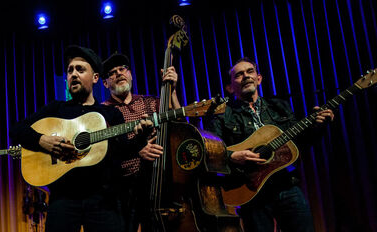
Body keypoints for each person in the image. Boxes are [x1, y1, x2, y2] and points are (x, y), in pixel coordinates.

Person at [10, 45, 154, 232]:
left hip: (103, 200)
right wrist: (42, 140)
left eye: (80, 69)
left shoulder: (111, 114)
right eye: (70, 71)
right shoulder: (56, 109)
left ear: (95, 78)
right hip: (63, 199)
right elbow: (16, 129)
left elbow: (124, 151)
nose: (73, 74)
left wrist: (140, 137)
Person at [205, 57, 334, 232]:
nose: (246, 76)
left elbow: (299, 144)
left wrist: (319, 125)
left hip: (287, 186)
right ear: (229, 87)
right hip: (250, 191)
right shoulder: (222, 116)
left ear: (259, 79)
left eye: (250, 72)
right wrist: (232, 156)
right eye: (239, 75)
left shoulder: (279, 107)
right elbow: (211, 152)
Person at [100, 52, 180, 232]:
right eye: (112, 73)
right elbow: (105, 151)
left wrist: (172, 90)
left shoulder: (151, 102)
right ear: (105, 83)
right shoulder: (102, 112)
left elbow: (180, 128)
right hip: (121, 188)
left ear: (130, 75)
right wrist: (137, 150)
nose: (119, 73)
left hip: (156, 183)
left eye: (122, 69)